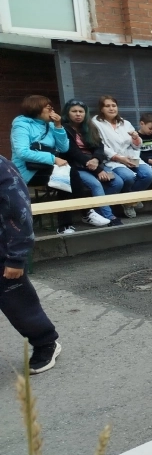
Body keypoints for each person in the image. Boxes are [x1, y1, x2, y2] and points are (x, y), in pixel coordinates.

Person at [1, 153, 61, 374]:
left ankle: (46, 343)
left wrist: (16, 257)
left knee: (19, 306)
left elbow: (19, 212)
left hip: (3, 254)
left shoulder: (1, 168)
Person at [11, 95, 74, 233]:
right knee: (68, 177)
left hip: (46, 167)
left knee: (70, 175)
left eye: (52, 108)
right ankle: (66, 224)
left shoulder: (50, 125)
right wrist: (53, 159)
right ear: (36, 109)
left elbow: (64, 148)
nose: (52, 111)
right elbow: (22, 152)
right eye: (48, 108)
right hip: (27, 170)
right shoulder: (21, 125)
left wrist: (58, 126)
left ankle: (78, 216)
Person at [61, 100, 121, 227]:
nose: (78, 114)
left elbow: (99, 146)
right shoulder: (63, 128)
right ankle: (109, 216)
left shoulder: (90, 126)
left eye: (81, 111)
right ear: (67, 113)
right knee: (96, 184)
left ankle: (98, 210)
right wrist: (97, 169)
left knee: (117, 182)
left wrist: (96, 160)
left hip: (94, 163)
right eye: (74, 111)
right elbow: (73, 152)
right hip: (76, 166)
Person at [92, 95, 152, 218]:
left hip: (130, 157)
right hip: (112, 160)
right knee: (128, 177)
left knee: (148, 174)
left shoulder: (125, 123)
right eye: (107, 106)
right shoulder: (96, 123)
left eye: (114, 105)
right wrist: (119, 158)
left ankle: (129, 201)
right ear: (101, 108)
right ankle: (130, 201)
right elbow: (100, 145)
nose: (111, 108)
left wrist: (136, 138)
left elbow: (136, 146)